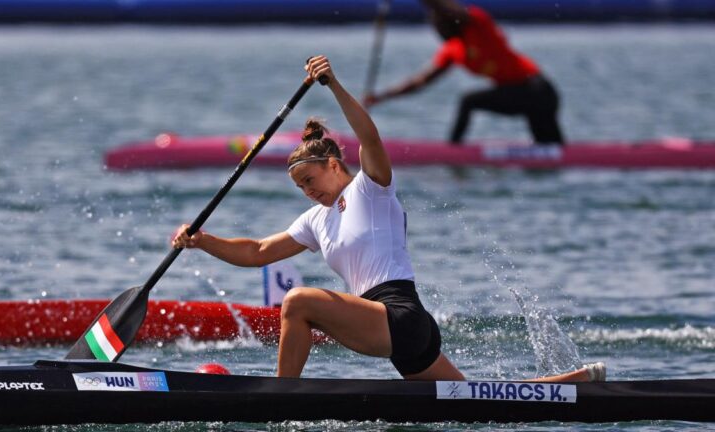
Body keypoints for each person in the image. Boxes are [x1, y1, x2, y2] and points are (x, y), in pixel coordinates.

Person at [172, 56, 603, 382]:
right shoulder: (315, 220)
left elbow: (370, 137)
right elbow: (258, 251)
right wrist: (202, 240)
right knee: (475, 403)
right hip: (396, 333)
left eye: (311, 179)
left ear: (334, 164)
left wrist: (334, 85)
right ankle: (571, 385)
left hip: (399, 315)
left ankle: (280, 396)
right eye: (299, 187)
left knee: (297, 301)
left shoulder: (370, 188)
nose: (308, 191)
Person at [364, 0, 565, 146]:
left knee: (468, 101)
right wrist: (381, 97)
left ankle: (453, 151)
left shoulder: (477, 24)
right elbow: (420, 82)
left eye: (438, 23)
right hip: (521, 97)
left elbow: (442, 6)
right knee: (549, 149)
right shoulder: (453, 50)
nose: (436, 29)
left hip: (538, 90)